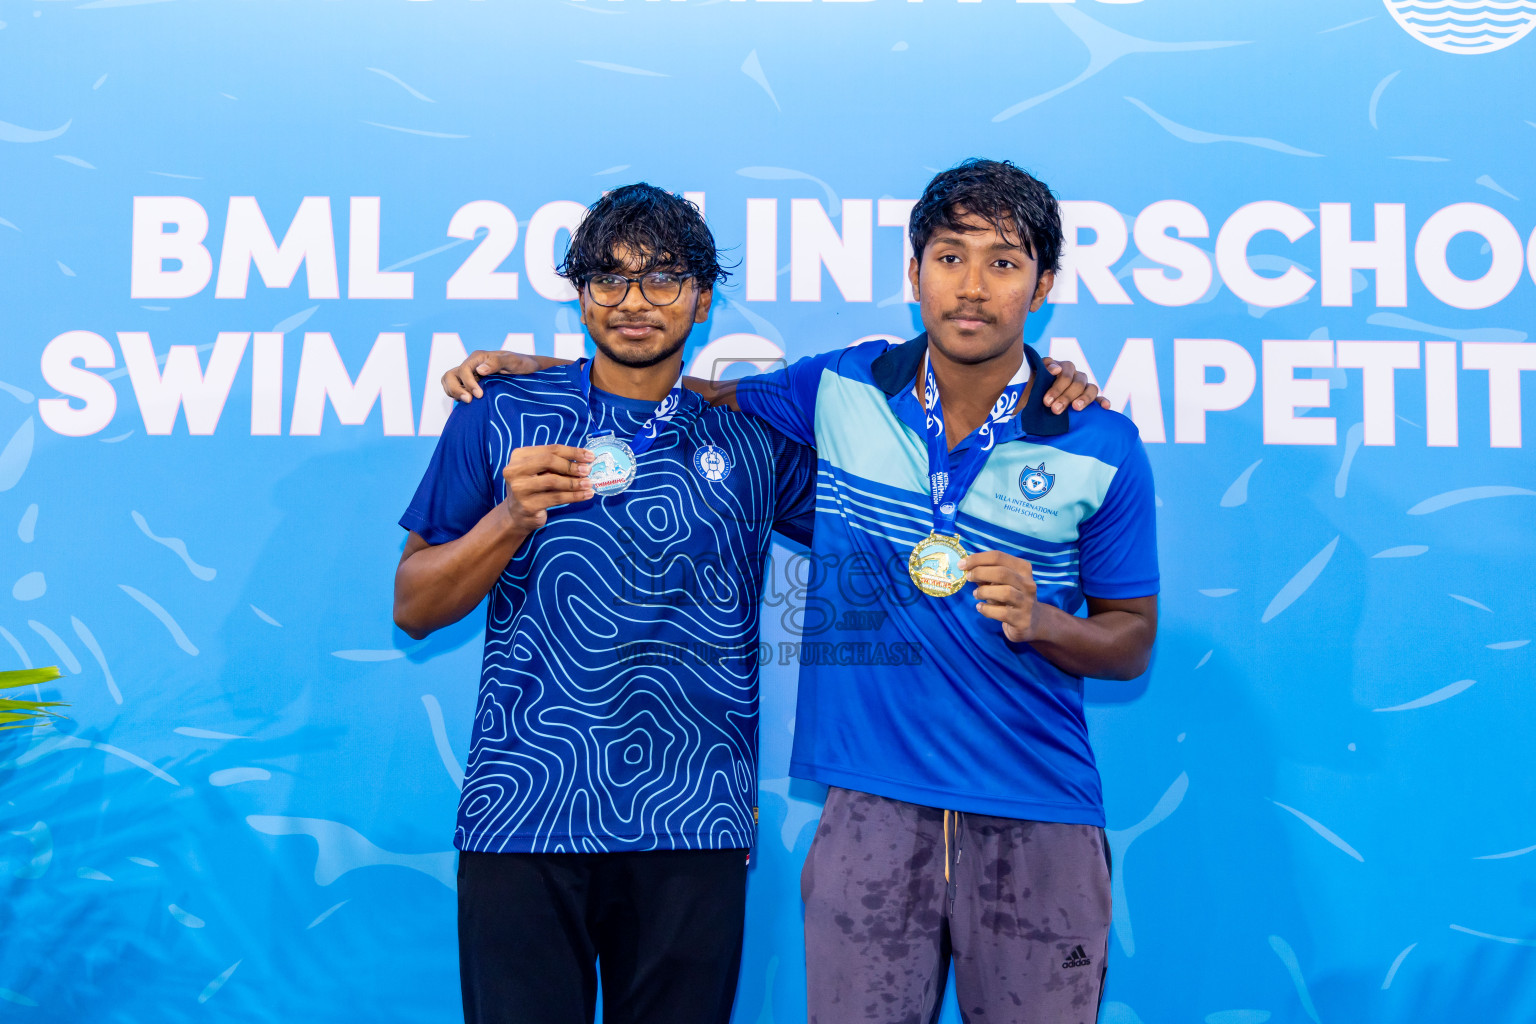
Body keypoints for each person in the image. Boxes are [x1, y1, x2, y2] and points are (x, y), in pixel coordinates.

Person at [441, 160, 1140, 1024]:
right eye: (951, 257)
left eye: (1003, 261)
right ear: (914, 272)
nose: (973, 284)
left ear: (1042, 285)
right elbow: (681, 389)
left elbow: (1130, 640)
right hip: (834, 807)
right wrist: (552, 372)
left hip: (1007, 806)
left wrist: (1042, 619)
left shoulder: (1097, 436)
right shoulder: (838, 387)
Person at [393, 183, 819, 1024]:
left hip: (692, 819)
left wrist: (1039, 386)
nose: (634, 302)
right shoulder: (499, 415)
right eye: (608, 279)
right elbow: (414, 606)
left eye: (662, 279)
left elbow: (904, 488)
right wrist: (511, 518)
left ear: (702, 297)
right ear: (579, 295)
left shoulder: (757, 441)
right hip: (523, 813)